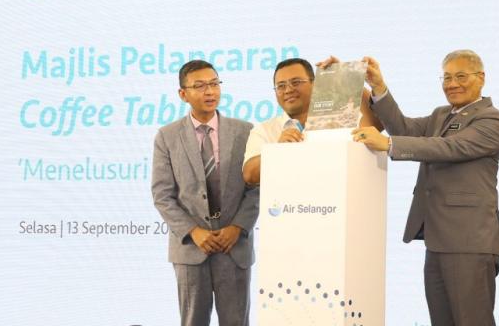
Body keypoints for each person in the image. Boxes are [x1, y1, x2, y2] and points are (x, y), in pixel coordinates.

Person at [351, 50, 499, 326]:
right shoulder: (440, 115)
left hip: (469, 241)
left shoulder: (492, 118)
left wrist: (389, 144)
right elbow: (403, 128)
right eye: (447, 78)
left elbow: (451, 147)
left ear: (481, 78)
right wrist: (378, 86)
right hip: (437, 240)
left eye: (461, 76)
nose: (452, 84)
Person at [151, 60, 258, 326]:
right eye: (199, 86)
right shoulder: (167, 136)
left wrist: (238, 227)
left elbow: (256, 188)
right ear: (183, 94)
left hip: (234, 246)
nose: (209, 91)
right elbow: (162, 194)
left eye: (214, 84)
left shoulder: (245, 131)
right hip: (191, 249)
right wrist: (193, 231)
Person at [242, 57, 382, 185]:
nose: (288, 90)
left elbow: (379, 122)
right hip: (286, 203)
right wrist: (278, 151)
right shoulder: (264, 129)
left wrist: (344, 76)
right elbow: (249, 175)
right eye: (281, 86)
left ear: (315, 84)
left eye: (296, 82)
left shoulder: (339, 118)